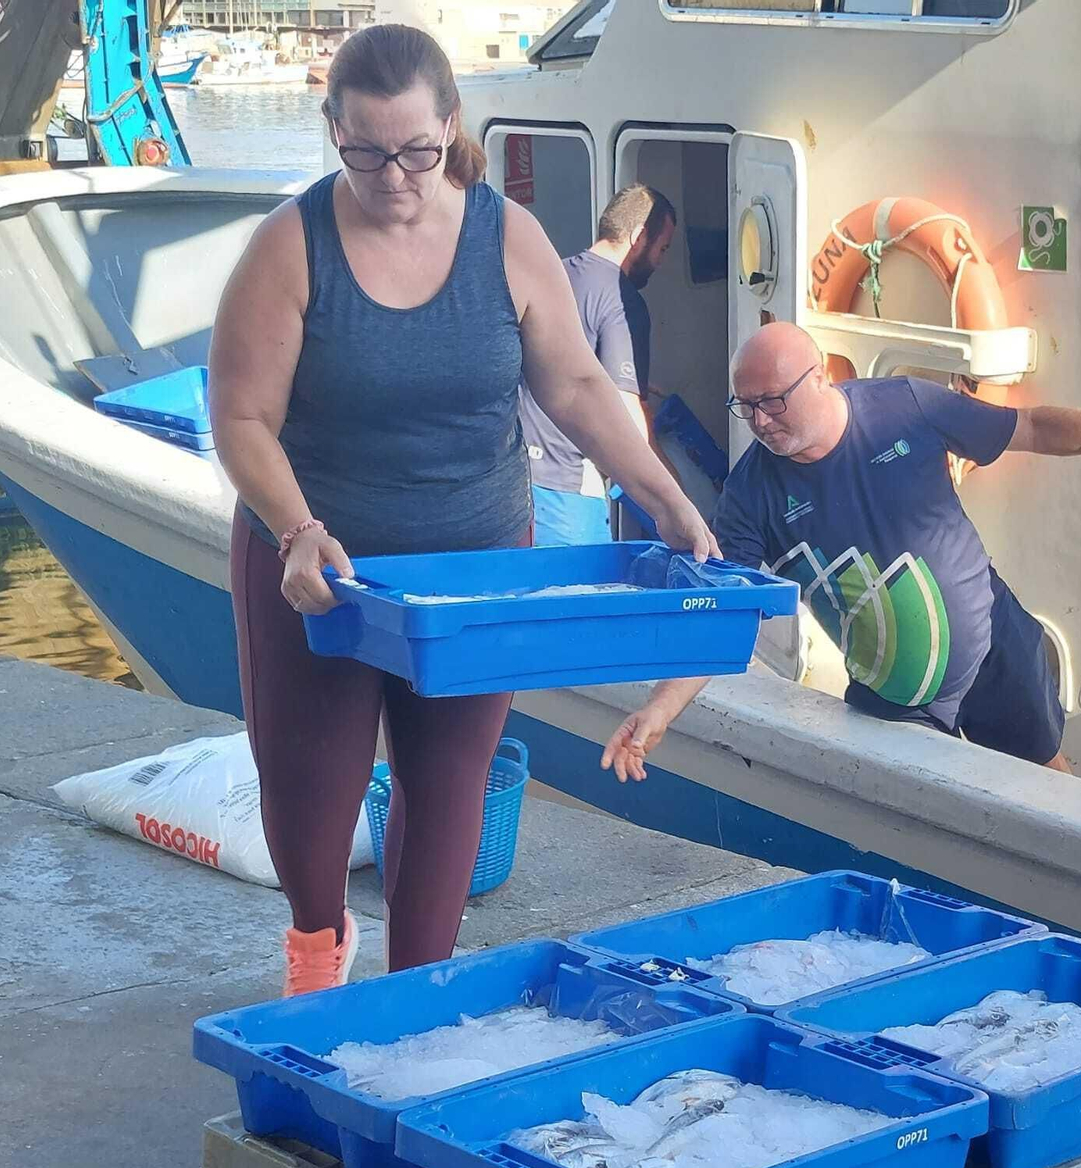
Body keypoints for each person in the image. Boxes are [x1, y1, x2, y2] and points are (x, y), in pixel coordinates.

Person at [209, 24, 715, 997]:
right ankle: (318, 946)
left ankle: (417, 1008)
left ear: (449, 129)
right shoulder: (291, 248)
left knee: (447, 791)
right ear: (332, 131)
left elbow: (574, 384)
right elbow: (239, 415)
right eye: (365, 153)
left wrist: (662, 496)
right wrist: (295, 527)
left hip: (474, 564)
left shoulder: (507, 237)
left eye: (415, 153)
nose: (393, 177)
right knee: (311, 804)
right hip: (322, 570)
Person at [601, 321, 1081, 781]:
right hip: (893, 699)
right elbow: (725, 613)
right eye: (747, 406)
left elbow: (1027, 428)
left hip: (993, 647)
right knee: (929, 821)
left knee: (1050, 785)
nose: (759, 421)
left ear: (819, 378)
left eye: (773, 401)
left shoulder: (905, 406)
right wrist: (659, 709)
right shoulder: (750, 495)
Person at [517, 185, 679, 545]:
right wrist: (674, 502)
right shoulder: (622, 300)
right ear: (639, 237)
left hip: (514, 486)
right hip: (568, 490)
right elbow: (628, 418)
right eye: (663, 248)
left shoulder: (552, 276)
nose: (661, 261)